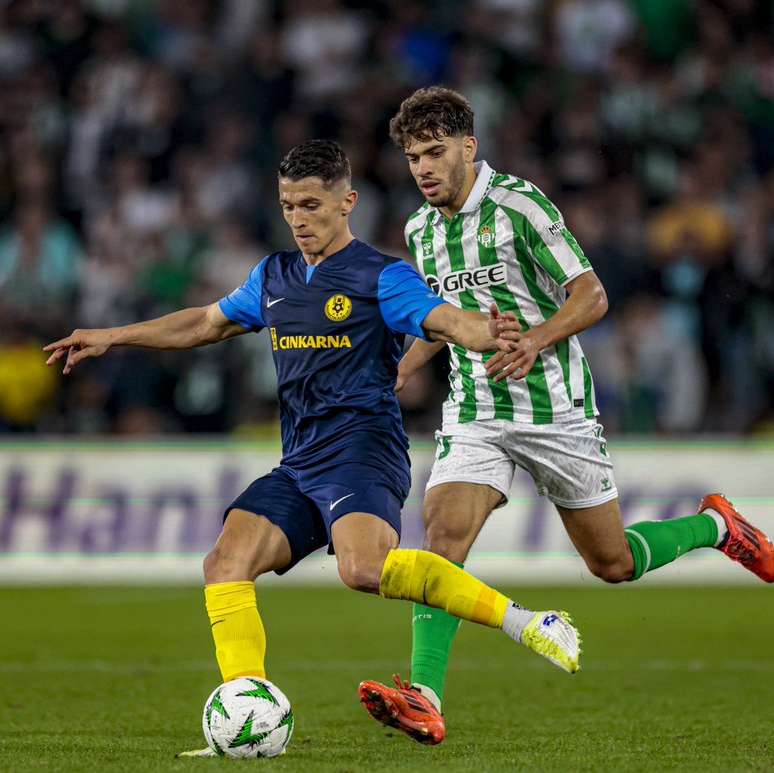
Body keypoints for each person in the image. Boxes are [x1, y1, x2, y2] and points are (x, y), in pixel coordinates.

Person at [44, 140, 582, 757]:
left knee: (363, 569)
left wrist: (491, 332)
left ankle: (528, 623)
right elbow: (205, 323)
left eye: (311, 205)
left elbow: (446, 321)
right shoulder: (272, 275)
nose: (298, 219)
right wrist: (113, 336)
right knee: (225, 563)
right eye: (287, 206)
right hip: (301, 459)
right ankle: (246, 709)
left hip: (364, 449)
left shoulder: (381, 276)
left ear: (347, 202)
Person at [357, 87, 774, 746]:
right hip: (475, 408)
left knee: (613, 562)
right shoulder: (421, 230)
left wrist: (536, 339)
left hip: (554, 409)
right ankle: (425, 696)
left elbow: (592, 295)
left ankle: (715, 525)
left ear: (469, 146)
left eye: (435, 152)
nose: (424, 169)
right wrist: (406, 366)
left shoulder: (520, 208)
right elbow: (445, 319)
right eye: (413, 158)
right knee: (443, 538)